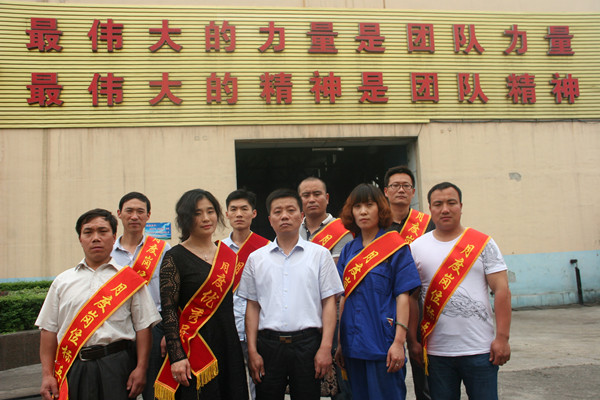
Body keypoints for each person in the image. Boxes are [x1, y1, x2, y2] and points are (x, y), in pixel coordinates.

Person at [36, 208, 161, 400]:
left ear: (114, 237)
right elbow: (48, 330)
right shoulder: (62, 282)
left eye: (103, 231)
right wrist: (47, 375)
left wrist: (141, 368)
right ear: (80, 239)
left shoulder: (130, 280)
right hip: (74, 366)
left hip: (117, 365)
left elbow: (143, 327)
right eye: (88, 232)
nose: (96, 238)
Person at [238, 188, 344, 400]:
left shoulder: (320, 255)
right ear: (270, 220)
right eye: (278, 212)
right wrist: (252, 351)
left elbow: (329, 303)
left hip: (308, 344)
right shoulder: (256, 259)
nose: (284, 216)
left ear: (301, 216)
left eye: (290, 210)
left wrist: (325, 347)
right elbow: (252, 307)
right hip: (268, 346)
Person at [409, 182, 511, 400]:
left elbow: (502, 290)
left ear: (461, 206)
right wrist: (412, 341)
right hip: (437, 352)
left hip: (480, 350)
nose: (445, 209)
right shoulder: (416, 247)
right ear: (430, 208)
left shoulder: (483, 243)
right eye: (438, 204)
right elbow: (411, 298)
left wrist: (502, 338)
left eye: (451, 203)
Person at [155, 189, 248, 400]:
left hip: (227, 342)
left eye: (210, 211)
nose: (206, 218)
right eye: (197, 213)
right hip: (194, 346)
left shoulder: (227, 255)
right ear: (186, 218)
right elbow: (168, 312)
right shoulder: (174, 257)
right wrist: (176, 356)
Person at [334, 183, 421, 400]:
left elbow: (403, 296)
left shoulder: (396, 247)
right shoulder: (348, 250)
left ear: (380, 209)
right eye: (357, 206)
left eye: (369, 205)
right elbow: (344, 297)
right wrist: (340, 343)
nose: (363, 211)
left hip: (383, 343)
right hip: (353, 344)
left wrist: (399, 342)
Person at [111, 192, 171, 400]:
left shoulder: (162, 249)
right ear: (119, 214)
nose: (134, 216)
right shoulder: (108, 252)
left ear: (148, 216)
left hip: (154, 328)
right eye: (129, 211)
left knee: (154, 391)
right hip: (118, 329)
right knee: (118, 389)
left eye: (140, 211)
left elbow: (171, 294)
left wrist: (169, 332)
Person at [298, 177, 353, 399]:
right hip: (303, 318)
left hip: (335, 314)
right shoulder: (293, 229)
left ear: (327, 198)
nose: (312, 199)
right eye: (306, 195)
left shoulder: (343, 231)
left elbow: (337, 276)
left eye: (317, 194)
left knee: (340, 384)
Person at [383, 166, 434, 400]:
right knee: (389, 365)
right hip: (387, 302)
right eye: (395, 186)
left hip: (421, 301)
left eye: (406, 186)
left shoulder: (427, 225)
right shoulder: (377, 226)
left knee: (423, 362)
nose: (401, 190)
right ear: (386, 191)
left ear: (413, 192)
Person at [222, 189, 270, 400]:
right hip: (227, 330)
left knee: (261, 383)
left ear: (254, 213)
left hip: (259, 330)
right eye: (233, 209)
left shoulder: (267, 249)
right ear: (227, 214)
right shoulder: (217, 250)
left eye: (244, 209)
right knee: (231, 386)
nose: (239, 214)